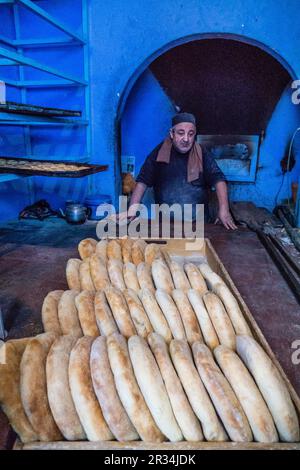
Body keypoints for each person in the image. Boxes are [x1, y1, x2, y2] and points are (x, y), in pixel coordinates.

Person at [120, 112, 237, 230]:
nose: (186, 139)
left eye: (190, 134)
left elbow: (218, 179)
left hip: (199, 224)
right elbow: (142, 182)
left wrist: (224, 209)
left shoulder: (202, 153)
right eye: (181, 133)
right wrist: (132, 210)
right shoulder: (159, 153)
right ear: (172, 133)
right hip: (166, 225)